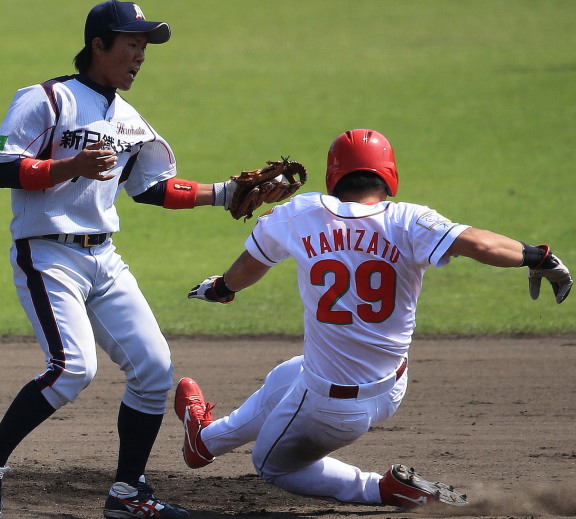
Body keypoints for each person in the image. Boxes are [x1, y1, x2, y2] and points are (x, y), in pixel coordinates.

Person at [0, 2, 284, 518]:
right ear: (98, 45)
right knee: (72, 369)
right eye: (132, 44)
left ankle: (128, 494)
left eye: (144, 47)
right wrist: (71, 166)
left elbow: (152, 187)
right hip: (47, 254)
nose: (140, 56)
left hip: (104, 259)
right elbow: (3, 167)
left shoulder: (129, 120)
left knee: (154, 370)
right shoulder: (47, 99)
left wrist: (225, 193)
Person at [176, 128, 572, 509]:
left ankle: (382, 489)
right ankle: (204, 443)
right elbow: (481, 244)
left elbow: (249, 267)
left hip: (329, 408)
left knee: (271, 465)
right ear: (389, 175)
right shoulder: (411, 220)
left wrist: (221, 289)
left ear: (333, 176)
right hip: (391, 387)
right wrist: (538, 257)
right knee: (289, 373)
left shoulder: (301, 213)